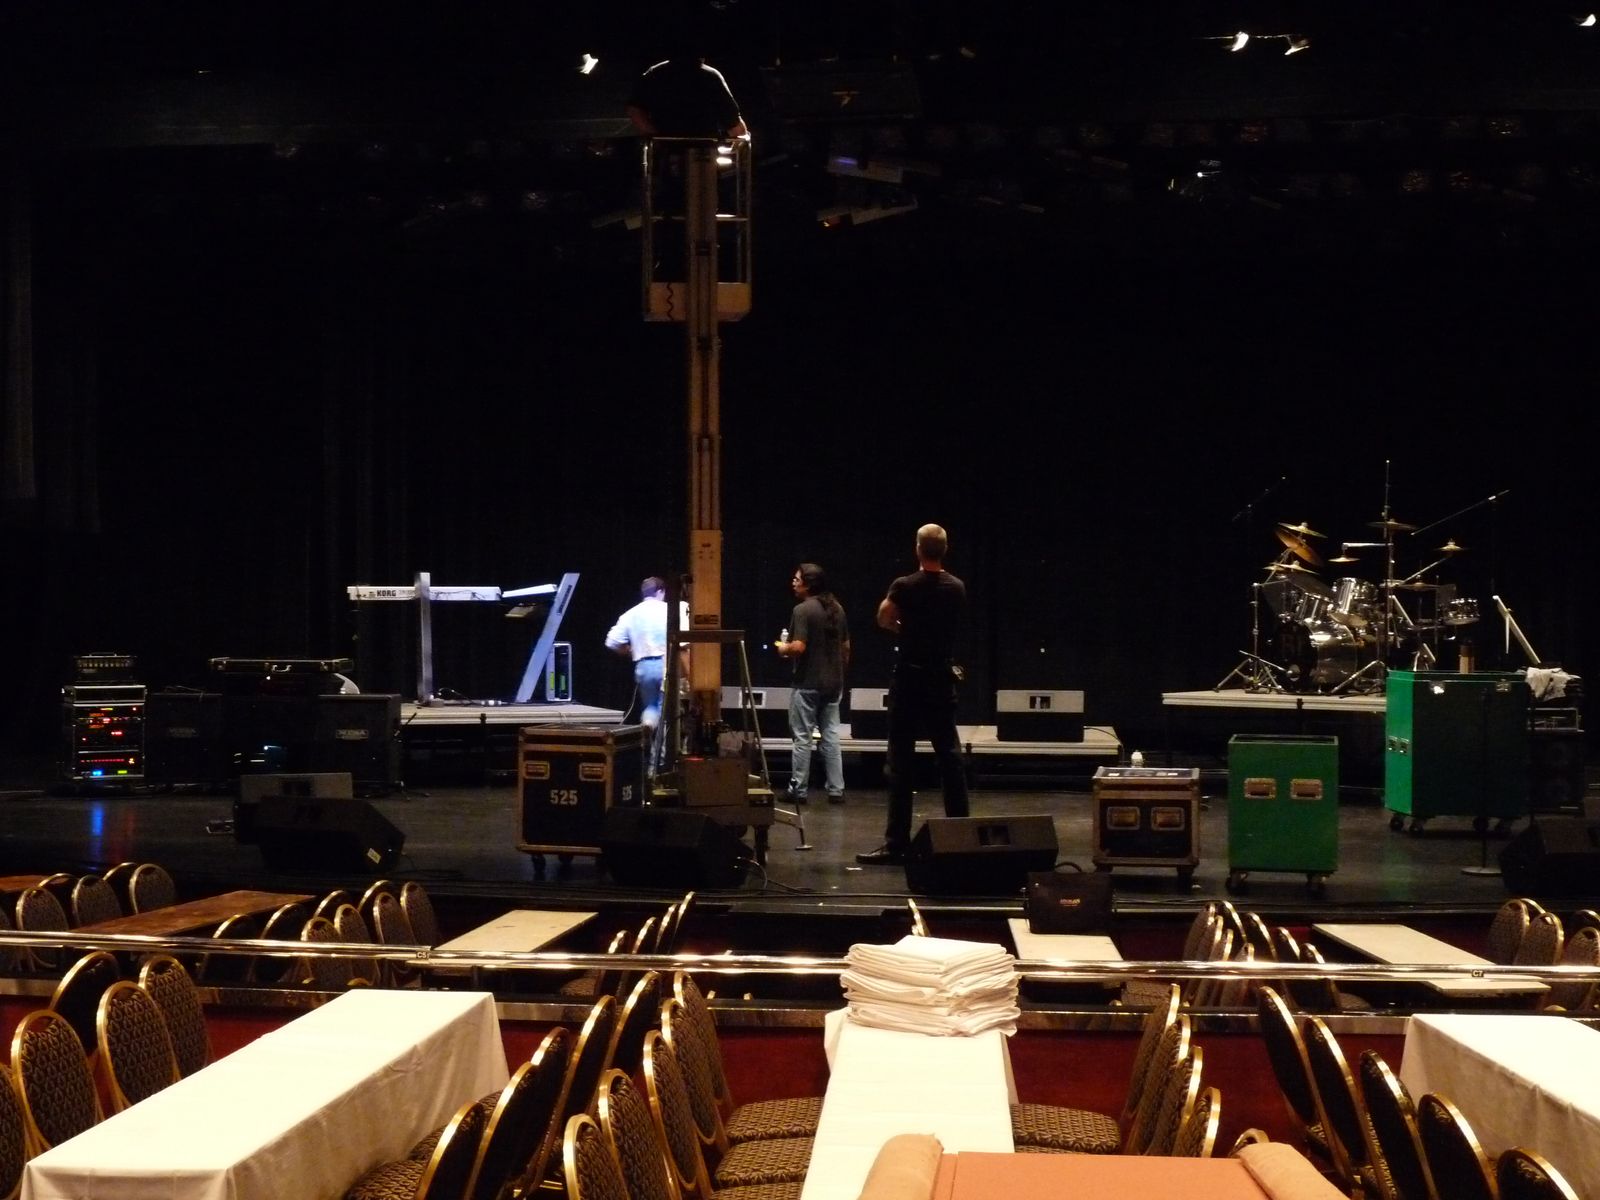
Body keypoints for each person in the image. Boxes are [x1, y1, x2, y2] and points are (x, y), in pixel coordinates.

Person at [856, 523, 970, 865]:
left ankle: (897, 843)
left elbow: (883, 618)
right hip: (940, 676)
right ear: (944, 550)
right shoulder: (956, 587)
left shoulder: (904, 585)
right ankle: (961, 836)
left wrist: (905, 629)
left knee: (900, 760)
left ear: (918, 549)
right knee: (949, 756)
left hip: (910, 677)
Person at [774, 563, 850, 804]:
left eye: (797, 579)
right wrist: (838, 672)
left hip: (807, 682)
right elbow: (846, 647)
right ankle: (836, 790)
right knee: (831, 737)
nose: (793, 582)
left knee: (802, 737)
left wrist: (783, 648)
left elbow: (798, 647)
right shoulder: (837, 608)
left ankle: (798, 790)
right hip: (834, 683)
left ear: (808, 584)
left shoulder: (802, 610)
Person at [605, 576, 676, 770]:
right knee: (665, 715)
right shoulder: (668, 610)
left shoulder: (630, 614)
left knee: (651, 708)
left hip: (643, 667)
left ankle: (647, 725)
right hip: (665, 664)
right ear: (661, 591)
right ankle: (658, 766)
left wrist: (630, 650)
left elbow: (611, 642)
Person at [625, 54, 749, 140]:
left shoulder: (655, 72)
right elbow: (733, 123)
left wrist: (656, 138)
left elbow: (634, 109)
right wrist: (744, 138)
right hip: (703, 152)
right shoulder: (710, 75)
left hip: (664, 152)